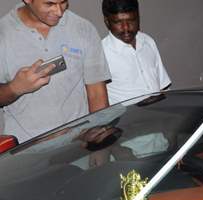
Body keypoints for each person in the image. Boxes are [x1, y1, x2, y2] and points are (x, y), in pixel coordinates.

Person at [0, 0, 111, 143]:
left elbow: (97, 95)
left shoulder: (83, 28)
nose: (59, 11)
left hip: (77, 148)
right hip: (26, 154)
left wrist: (100, 146)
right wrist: (15, 88)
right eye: (49, 3)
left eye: (63, 2)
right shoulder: (3, 34)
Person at [102, 0, 171, 106]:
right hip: (127, 121)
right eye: (118, 22)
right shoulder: (101, 53)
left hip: (160, 115)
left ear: (138, 17)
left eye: (131, 20)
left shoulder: (147, 41)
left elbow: (163, 86)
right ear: (107, 22)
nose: (126, 27)